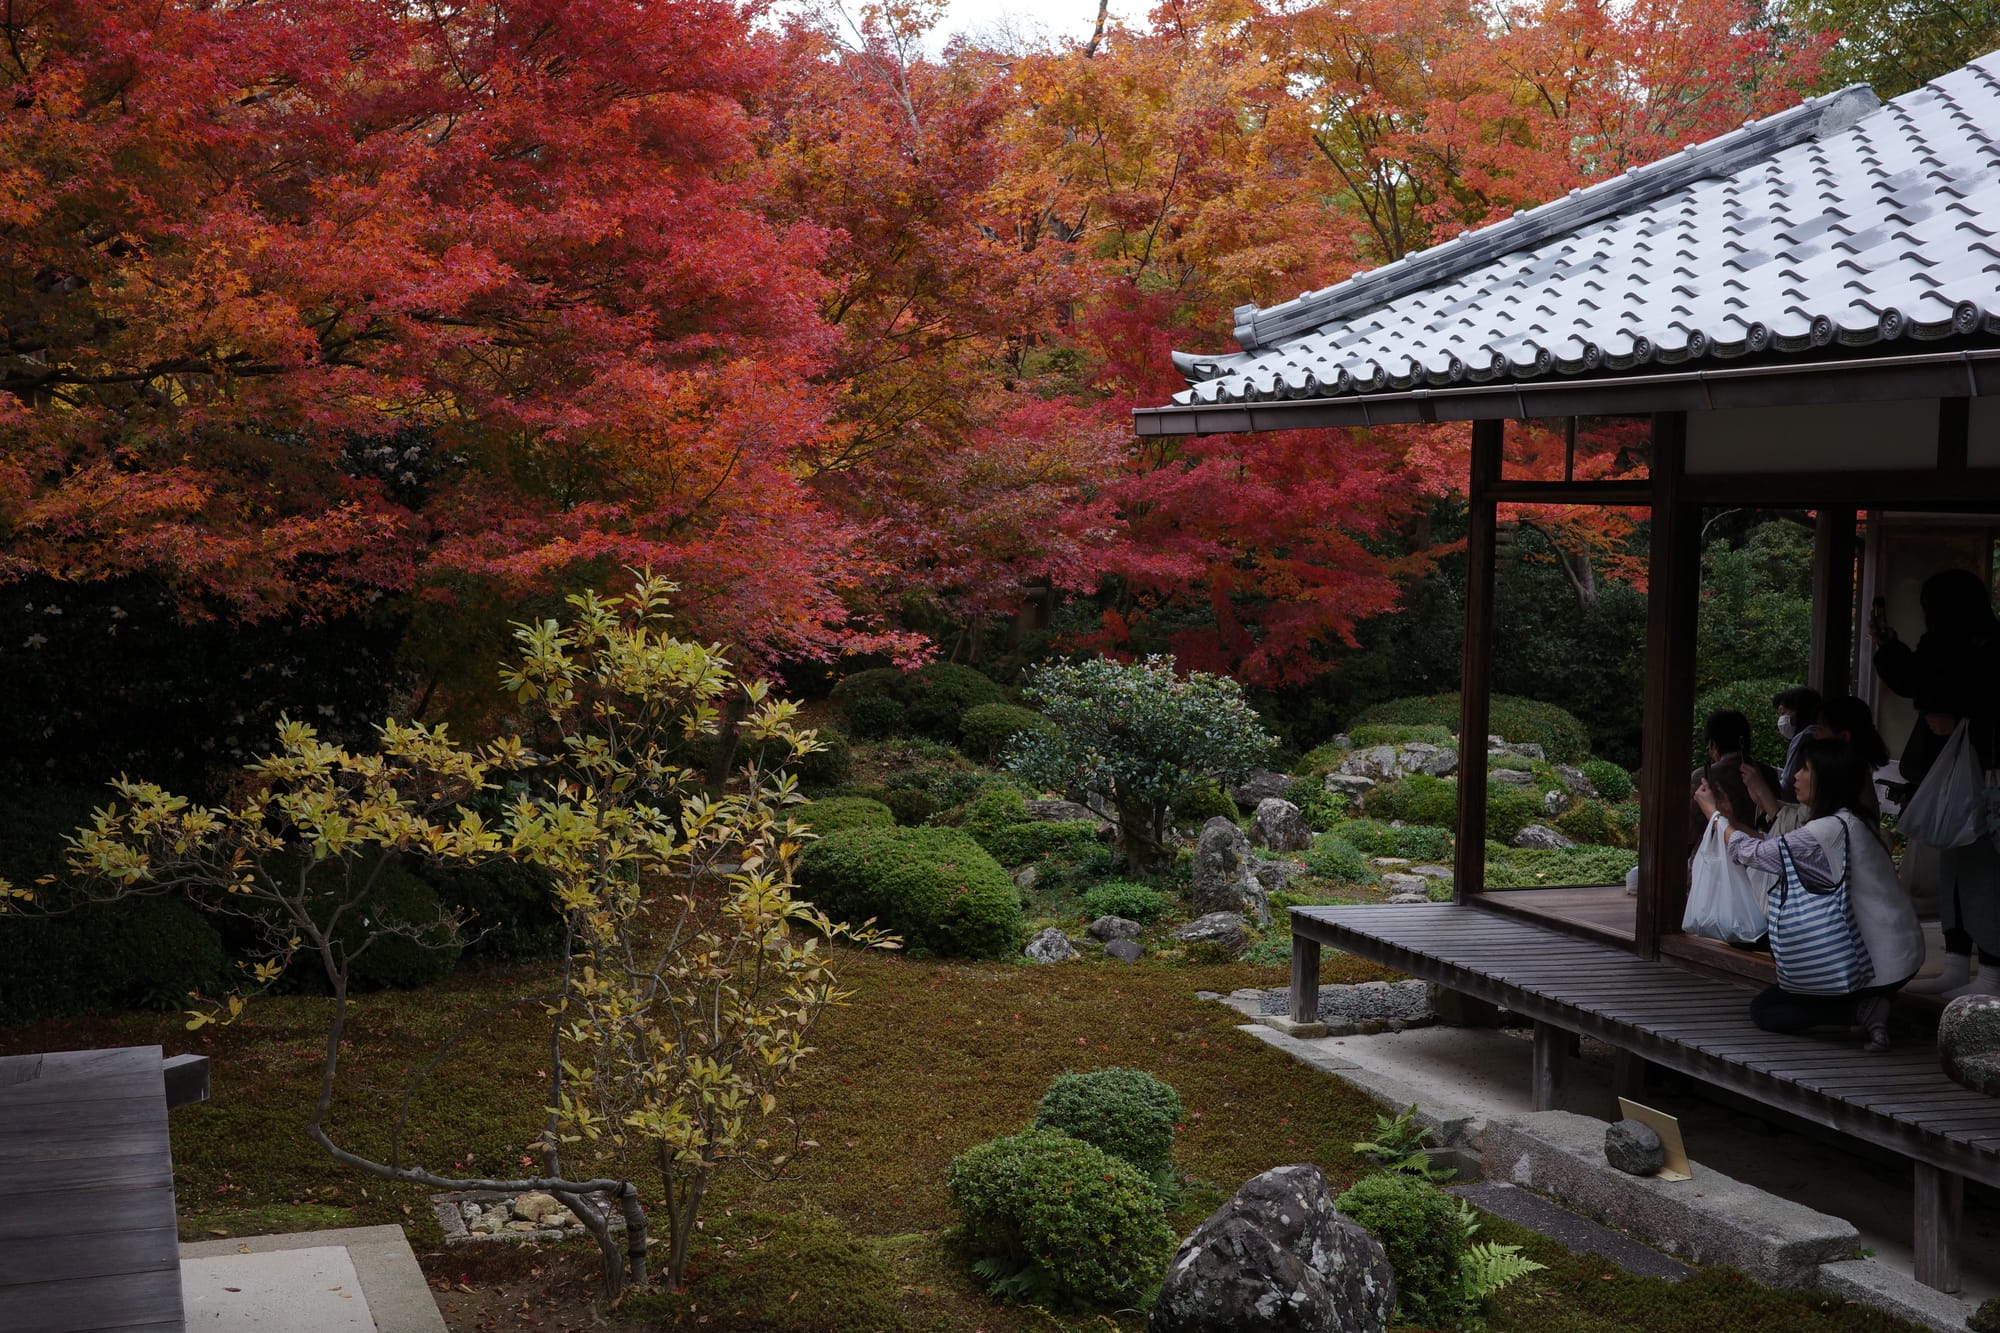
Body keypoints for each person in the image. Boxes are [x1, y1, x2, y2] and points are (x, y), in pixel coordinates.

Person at [1696, 739, 1923, 1052]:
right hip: (1895, 956)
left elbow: (1759, 855)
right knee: (1778, 996)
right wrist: (1729, 820)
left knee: (1765, 1010)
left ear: (1827, 778)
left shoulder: (1827, 830)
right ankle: (1866, 1006)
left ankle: (1861, 1010)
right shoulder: (1849, 821)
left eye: (1805, 769)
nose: (1795, 777)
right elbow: (1776, 848)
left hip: (1874, 965)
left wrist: (1715, 817)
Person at [1874, 569, 2000, 997]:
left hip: (1983, 770)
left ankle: (1989, 974)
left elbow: (1931, 687)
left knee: (1982, 869)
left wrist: (1953, 712)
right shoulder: (1971, 644)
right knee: (1957, 869)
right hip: (1964, 769)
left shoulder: (1981, 648)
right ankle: (1957, 964)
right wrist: (1891, 651)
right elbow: (1923, 683)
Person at [1689, 710, 1781, 846]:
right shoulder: (1767, 774)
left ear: (1713, 745)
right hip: (1764, 850)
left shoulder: (1702, 777)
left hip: (1716, 856)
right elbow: (1778, 825)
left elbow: (1691, 830)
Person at [1811, 694, 1891, 823]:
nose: (1816, 736)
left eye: (1821, 729)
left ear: (1844, 737)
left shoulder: (1847, 779)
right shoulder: (1855, 772)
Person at [1772, 686, 1823, 802]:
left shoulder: (1804, 737)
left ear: (1799, 710)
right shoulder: (1811, 734)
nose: (1781, 718)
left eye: (1783, 712)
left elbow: (1788, 785)